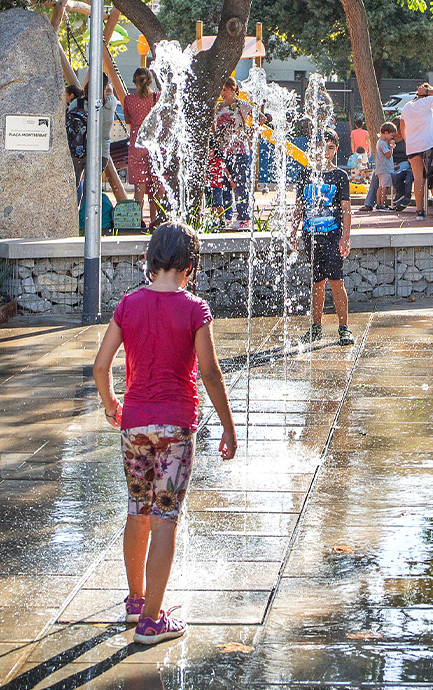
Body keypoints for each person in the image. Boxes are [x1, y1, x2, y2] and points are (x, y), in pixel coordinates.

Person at [91, 223, 237, 645]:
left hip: (134, 424)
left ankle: (136, 600)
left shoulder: (128, 305)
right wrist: (228, 426)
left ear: (150, 260)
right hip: (175, 428)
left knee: (138, 509)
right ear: (190, 266)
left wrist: (112, 405)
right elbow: (210, 373)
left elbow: (100, 367)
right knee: (165, 519)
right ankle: (152, 621)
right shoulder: (195, 310)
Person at [300, 136, 354, 346]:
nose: (326, 152)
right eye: (322, 147)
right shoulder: (305, 174)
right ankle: (316, 327)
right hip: (311, 235)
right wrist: (294, 231)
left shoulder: (340, 176)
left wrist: (345, 237)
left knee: (336, 281)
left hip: (332, 236)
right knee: (317, 282)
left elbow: (346, 208)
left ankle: (344, 327)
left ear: (336, 149)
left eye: (330, 148)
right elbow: (299, 206)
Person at [400, 83, 433, 220]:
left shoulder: (406, 107)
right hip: (429, 144)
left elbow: (402, 127)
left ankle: (420, 211)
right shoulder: (427, 102)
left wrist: (409, 142)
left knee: (418, 179)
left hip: (413, 146)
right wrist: (428, 91)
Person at [213, 78, 255, 230]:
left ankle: (244, 217)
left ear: (232, 89)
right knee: (224, 184)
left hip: (239, 151)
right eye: (221, 90)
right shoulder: (219, 107)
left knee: (239, 184)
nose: (222, 93)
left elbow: (260, 117)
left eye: (225, 89)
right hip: (223, 150)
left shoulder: (241, 105)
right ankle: (228, 217)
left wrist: (249, 132)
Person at [124, 68, 163, 229]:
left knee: (139, 187)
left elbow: (128, 120)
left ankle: (137, 221)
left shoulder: (128, 100)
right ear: (151, 81)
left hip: (137, 144)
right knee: (156, 186)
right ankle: (156, 220)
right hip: (154, 144)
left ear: (135, 82)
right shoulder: (157, 97)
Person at [360, 121, 397, 213]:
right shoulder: (383, 143)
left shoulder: (379, 142)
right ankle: (382, 204)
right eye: (391, 135)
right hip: (386, 169)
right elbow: (388, 155)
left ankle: (379, 203)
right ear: (386, 133)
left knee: (380, 187)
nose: (392, 137)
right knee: (384, 188)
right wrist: (391, 146)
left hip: (381, 169)